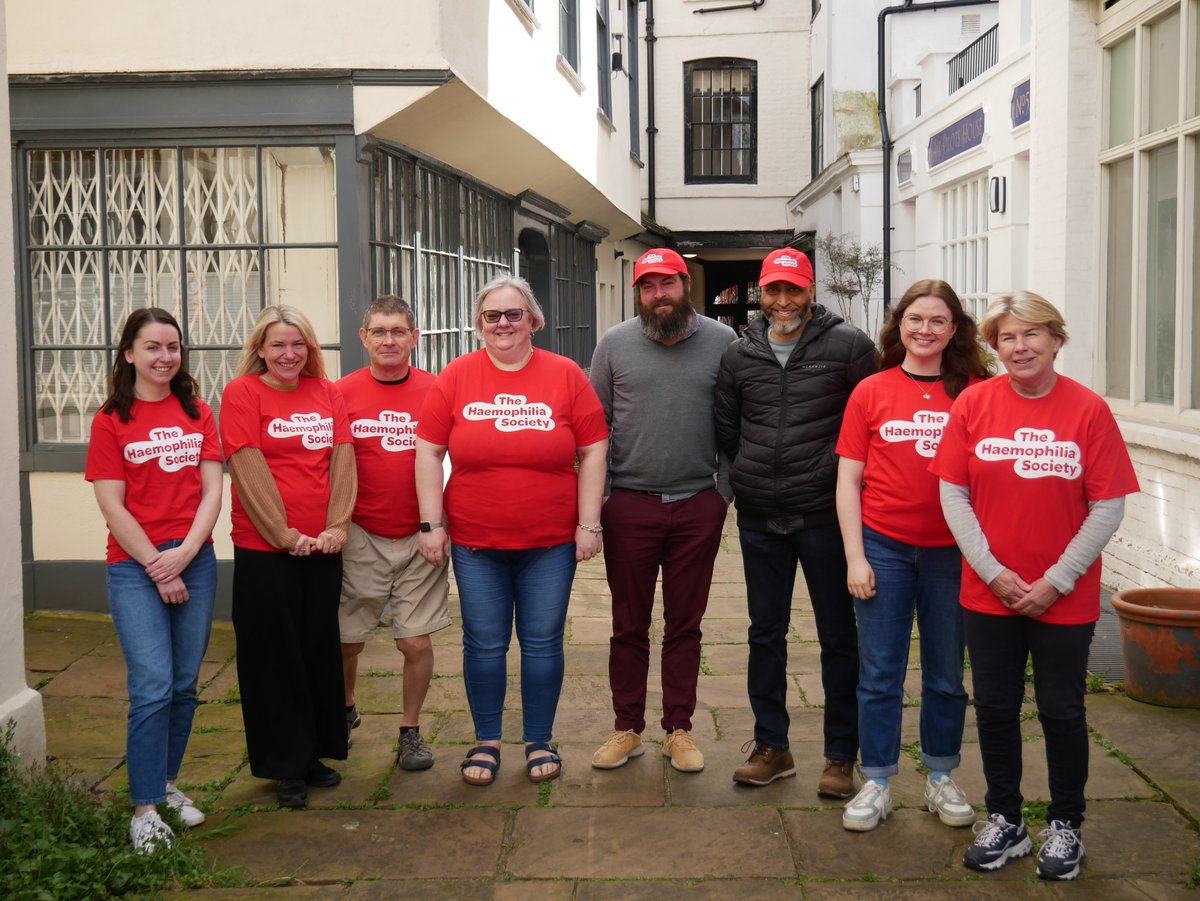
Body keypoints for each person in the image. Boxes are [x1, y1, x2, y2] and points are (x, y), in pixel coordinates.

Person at [931, 292, 1138, 882]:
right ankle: (1007, 819)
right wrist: (993, 571)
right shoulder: (973, 403)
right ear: (993, 347)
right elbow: (954, 493)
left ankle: (1065, 823)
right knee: (995, 709)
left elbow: (1107, 505)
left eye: (1032, 335)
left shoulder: (1088, 410)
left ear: (1056, 339)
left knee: (1061, 711)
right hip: (987, 590)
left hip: (1063, 596)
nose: (1019, 347)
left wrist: (1056, 580)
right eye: (1007, 338)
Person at [415, 275, 607, 786]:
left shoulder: (566, 375)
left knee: (543, 643)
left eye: (513, 315)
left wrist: (589, 524)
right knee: (484, 644)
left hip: (549, 543)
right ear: (479, 325)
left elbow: (594, 449)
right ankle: (487, 740)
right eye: (492, 316)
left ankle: (538, 739)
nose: (503, 324)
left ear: (534, 321)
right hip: (477, 542)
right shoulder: (455, 377)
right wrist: (431, 525)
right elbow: (428, 452)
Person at [715, 247, 876, 795]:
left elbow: (867, 426)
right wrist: (744, 481)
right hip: (760, 515)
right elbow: (727, 430)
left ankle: (839, 756)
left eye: (794, 290)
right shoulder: (740, 354)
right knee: (765, 633)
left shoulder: (850, 347)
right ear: (761, 293)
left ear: (811, 291)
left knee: (838, 635)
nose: (784, 301)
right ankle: (772, 746)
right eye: (774, 291)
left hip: (824, 516)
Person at [834, 280, 992, 832]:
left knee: (947, 674)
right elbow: (847, 480)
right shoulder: (872, 390)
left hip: (955, 554)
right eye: (915, 319)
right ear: (899, 325)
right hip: (885, 547)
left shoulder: (976, 392)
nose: (925, 330)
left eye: (938, 321)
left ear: (955, 330)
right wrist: (855, 557)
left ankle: (941, 776)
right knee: (880, 673)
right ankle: (877, 780)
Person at [589, 248, 736, 774]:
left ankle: (680, 729)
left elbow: (734, 420)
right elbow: (594, 425)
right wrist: (602, 496)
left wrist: (722, 491)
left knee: (685, 625)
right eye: (648, 287)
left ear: (685, 284)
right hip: (630, 505)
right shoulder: (615, 344)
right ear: (639, 293)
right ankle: (626, 727)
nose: (659, 296)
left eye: (667, 284)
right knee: (628, 624)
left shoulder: (723, 342)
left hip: (698, 504)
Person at [86, 308, 223, 853]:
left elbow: (212, 491)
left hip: (195, 556)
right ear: (128, 354)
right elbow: (111, 505)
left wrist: (187, 552)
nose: (165, 357)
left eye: (173, 346)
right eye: (152, 347)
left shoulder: (197, 411)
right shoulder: (110, 420)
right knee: (152, 687)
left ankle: (166, 787)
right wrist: (157, 565)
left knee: (185, 684)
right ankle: (142, 810)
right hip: (134, 566)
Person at [220, 305, 357, 809]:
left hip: (323, 547)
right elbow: (246, 465)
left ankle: (315, 753)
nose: (289, 354)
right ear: (259, 349)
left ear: (310, 350)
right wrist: (284, 535)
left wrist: (337, 526)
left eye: (298, 344)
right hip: (266, 551)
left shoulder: (327, 393)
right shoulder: (242, 394)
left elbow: (344, 457)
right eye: (277, 345)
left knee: (318, 651)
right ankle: (284, 765)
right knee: (273, 659)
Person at [337, 296, 449, 770]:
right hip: (361, 533)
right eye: (379, 331)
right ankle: (343, 708)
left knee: (415, 641)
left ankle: (410, 730)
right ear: (363, 338)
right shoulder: (339, 392)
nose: (388, 340)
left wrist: (439, 525)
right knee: (347, 640)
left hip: (422, 533)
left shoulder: (437, 391)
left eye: (398, 331)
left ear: (414, 338)